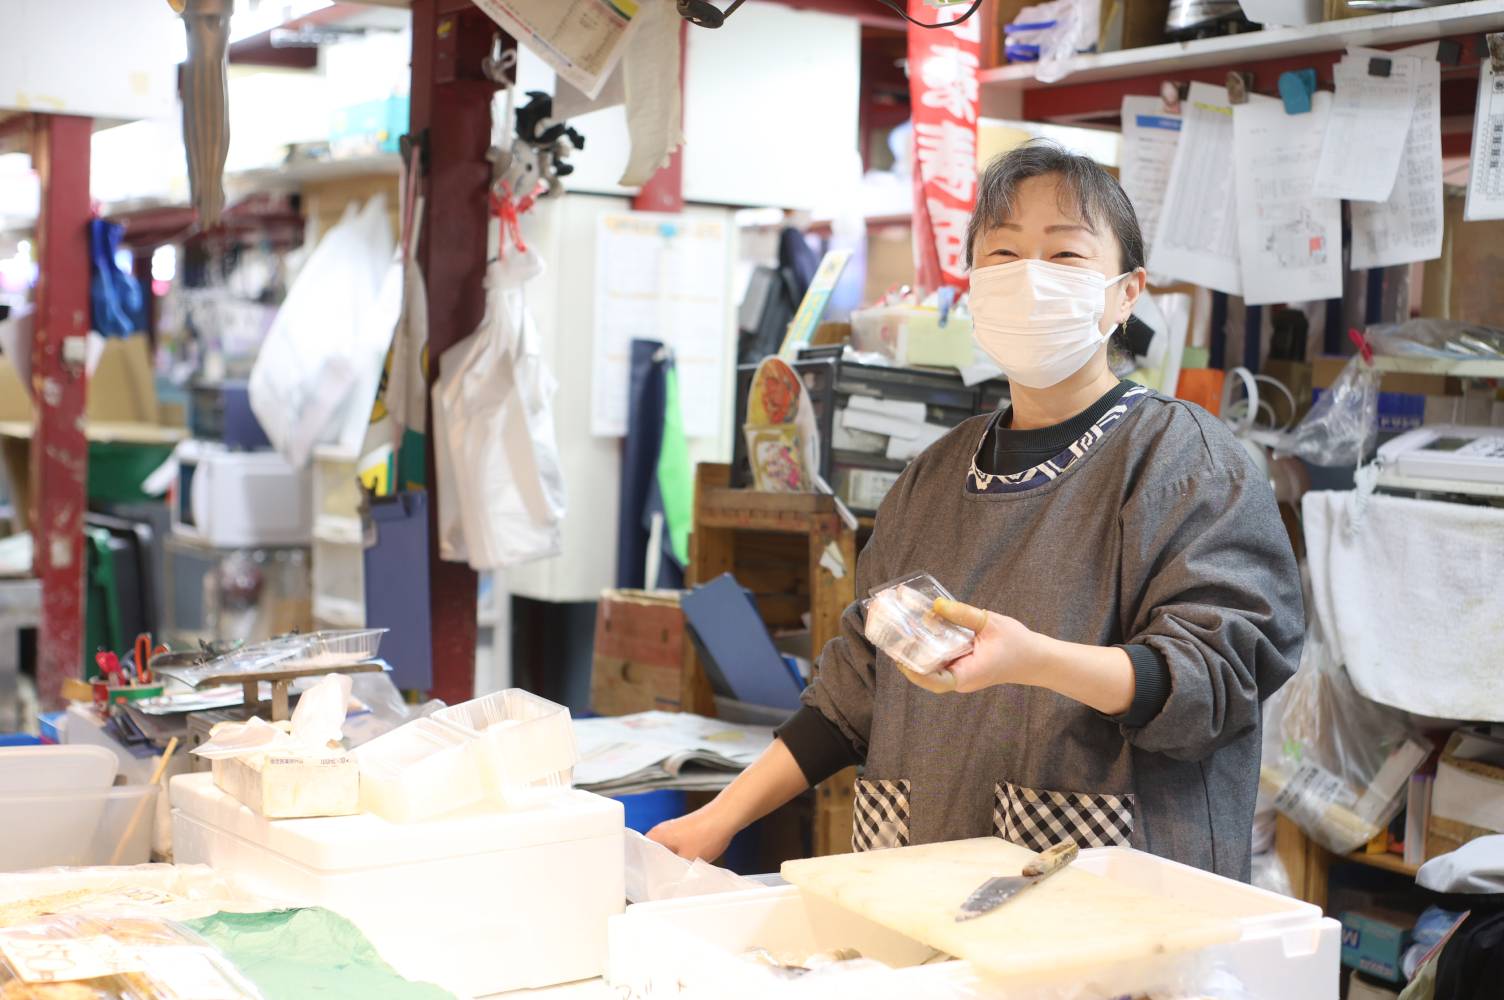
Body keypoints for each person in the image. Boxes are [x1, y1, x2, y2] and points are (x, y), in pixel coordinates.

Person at [649, 141, 1304, 881]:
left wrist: (1035, 662)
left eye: (1064, 256)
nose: (1029, 278)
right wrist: (716, 821)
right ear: (972, 285)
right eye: (1002, 254)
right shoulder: (933, 475)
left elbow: (1216, 679)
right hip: (920, 889)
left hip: (1111, 915)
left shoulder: (1184, 462)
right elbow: (853, 692)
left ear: (1126, 293)